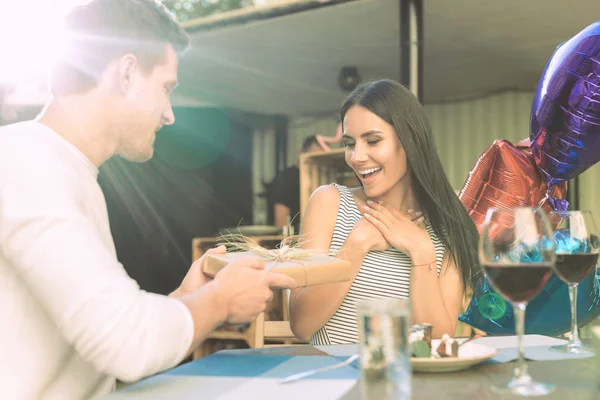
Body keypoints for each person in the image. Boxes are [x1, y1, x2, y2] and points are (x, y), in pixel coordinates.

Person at [0, 1, 296, 399]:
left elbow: (99, 337)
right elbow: (124, 343)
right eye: (166, 87)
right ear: (126, 73)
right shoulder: (27, 162)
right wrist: (221, 299)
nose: (169, 114)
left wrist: (187, 300)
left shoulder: (62, 168)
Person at [289, 79, 481, 344]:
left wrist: (421, 252)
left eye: (373, 140)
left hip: (406, 380)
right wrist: (357, 244)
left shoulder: (448, 228)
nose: (356, 156)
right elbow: (302, 324)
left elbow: (437, 343)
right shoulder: (329, 203)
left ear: (410, 141)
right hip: (332, 381)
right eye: (349, 143)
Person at [271, 135, 322, 231]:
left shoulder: (321, 180)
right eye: (314, 157)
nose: (317, 163)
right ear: (301, 153)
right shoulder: (286, 178)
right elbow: (281, 222)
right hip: (294, 239)